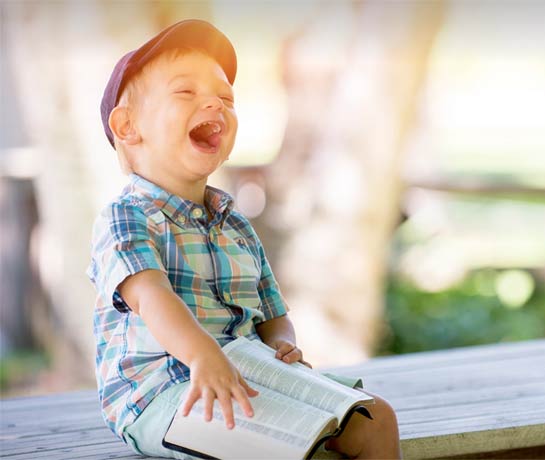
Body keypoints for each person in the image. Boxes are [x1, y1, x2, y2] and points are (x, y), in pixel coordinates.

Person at [87, 19, 401, 459]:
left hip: (250, 374)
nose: (214, 104)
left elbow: (272, 313)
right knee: (279, 447)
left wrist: (280, 343)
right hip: (164, 392)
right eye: (186, 92)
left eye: (225, 98)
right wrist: (202, 356)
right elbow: (152, 297)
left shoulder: (236, 225)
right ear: (127, 127)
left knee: (376, 419)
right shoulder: (127, 217)